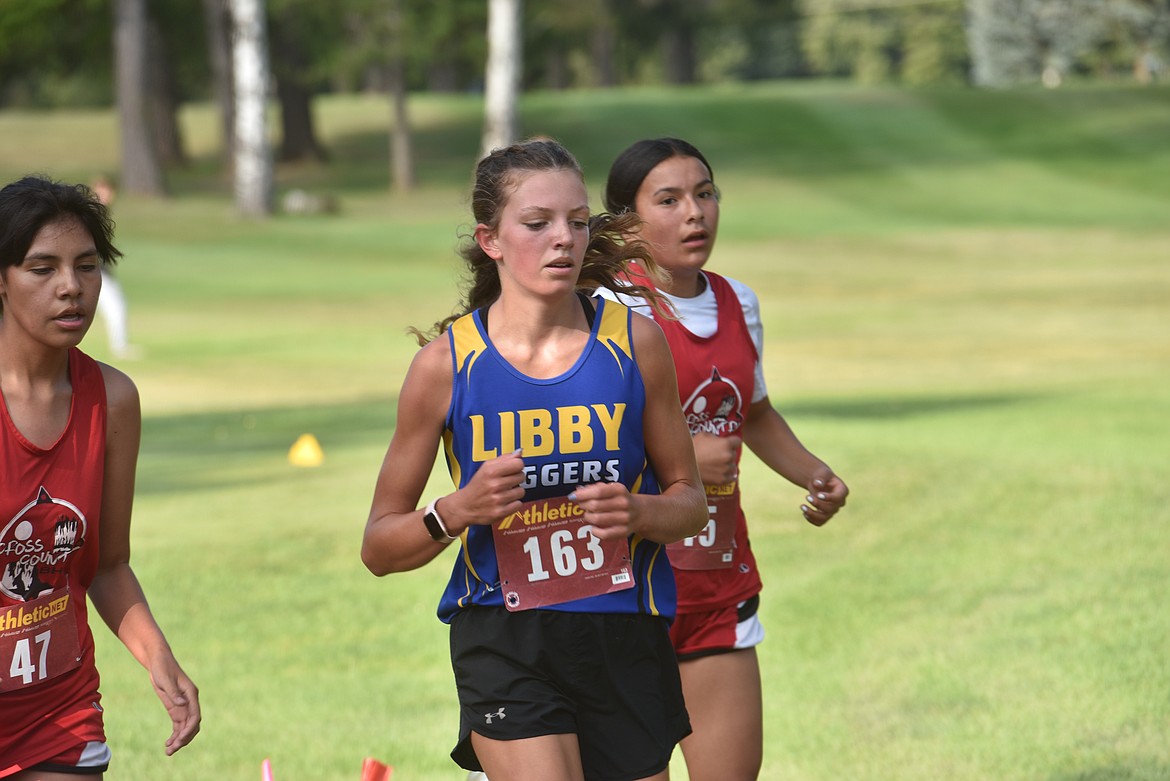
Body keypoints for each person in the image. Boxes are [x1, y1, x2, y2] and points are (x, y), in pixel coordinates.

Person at [361, 138, 708, 781]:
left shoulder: (636, 343)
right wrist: (456, 510)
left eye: (578, 222)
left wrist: (637, 510)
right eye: (538, 223)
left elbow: (690, 505)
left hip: (623, 632)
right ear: (490, 239)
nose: (565, 240)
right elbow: (379, 547)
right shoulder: (446, 366)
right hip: (503, 633)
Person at [600, 138, 850, 781]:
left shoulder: (739, 301)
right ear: (627, 222)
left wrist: (813, 474)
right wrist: (681, 461)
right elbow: (580, 450)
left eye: (705, 194)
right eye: (670, 199)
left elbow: (755, 412)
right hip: (624, 596)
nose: (695, 213)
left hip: (714, 582)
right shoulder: (604, 310)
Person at [0, 176, 200, 778]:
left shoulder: (111, 399)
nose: (71, 288)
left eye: (86, 266)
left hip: (56, 710)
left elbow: (106, 564)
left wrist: (159, 659)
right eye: (42, 268)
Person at [88, 176, 138, 360]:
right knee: (115, 307)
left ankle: (120, 345)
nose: (106, 195)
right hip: (94, 271)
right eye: (102, 190)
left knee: (115, 307)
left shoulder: (101, 213)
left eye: (109, 191)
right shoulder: (90, 214)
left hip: (101, 270)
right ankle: (120, 347)